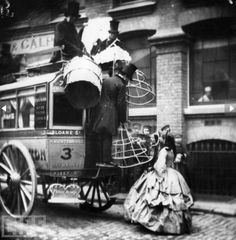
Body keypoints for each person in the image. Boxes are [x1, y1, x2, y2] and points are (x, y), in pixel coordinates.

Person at [124, 145, 193, 234]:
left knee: (155, 196)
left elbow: (159, 166)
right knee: (173, 199)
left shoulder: (164, 150)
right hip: (171, 173)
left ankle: (158, 223)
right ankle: (176, 225)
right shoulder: (171, 151)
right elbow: (170, 163)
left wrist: (160, 177)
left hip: (163, 174)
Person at [90, 63, 137, 164]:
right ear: (126, 76)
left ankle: (98, 159)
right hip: (111, 113)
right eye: (128, 79)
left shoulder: (106, 80)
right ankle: (106, 160)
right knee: (108, 136)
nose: (128, 81)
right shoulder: (121, 85)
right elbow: (121, 104)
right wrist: (123, 120)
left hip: (100, 111)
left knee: (100, 136)